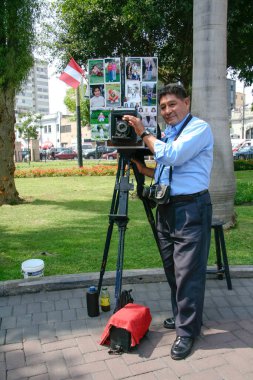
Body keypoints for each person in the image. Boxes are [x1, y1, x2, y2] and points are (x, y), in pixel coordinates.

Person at [123, 83, 213, 360]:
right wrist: (142, 169)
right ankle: (184, 317)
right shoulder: (171, 133)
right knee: (173, 269)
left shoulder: (199, 128)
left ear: (186, 102)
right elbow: (167, 172)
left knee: (188, 273)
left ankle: (187, 333)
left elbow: (172, 156)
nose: (167, 111)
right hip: (167, 208)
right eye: (163, 107)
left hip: (191, 209)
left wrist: (143, 132)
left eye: (172, 104)